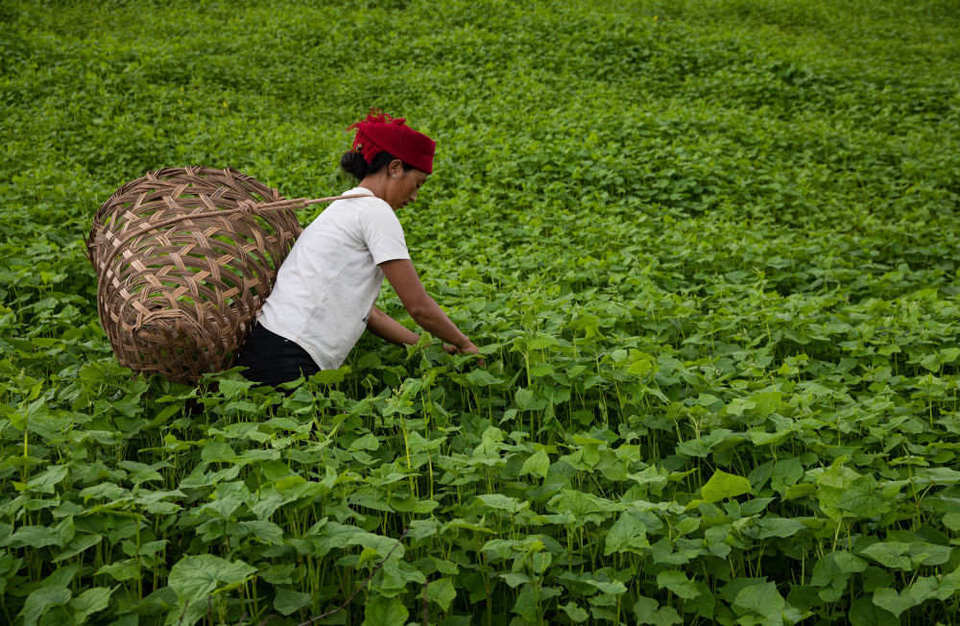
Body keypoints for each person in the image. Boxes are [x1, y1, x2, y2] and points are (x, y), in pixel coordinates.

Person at [236, 110, 480, 387]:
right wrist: (465, 343)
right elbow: (418, 306)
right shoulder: (375, 211)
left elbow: (370, 314)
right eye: (417, 185)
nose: (414, 196)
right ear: (395, 168)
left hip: (266, 347)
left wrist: (424, 346)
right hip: (290, 355)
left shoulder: (344, 207)